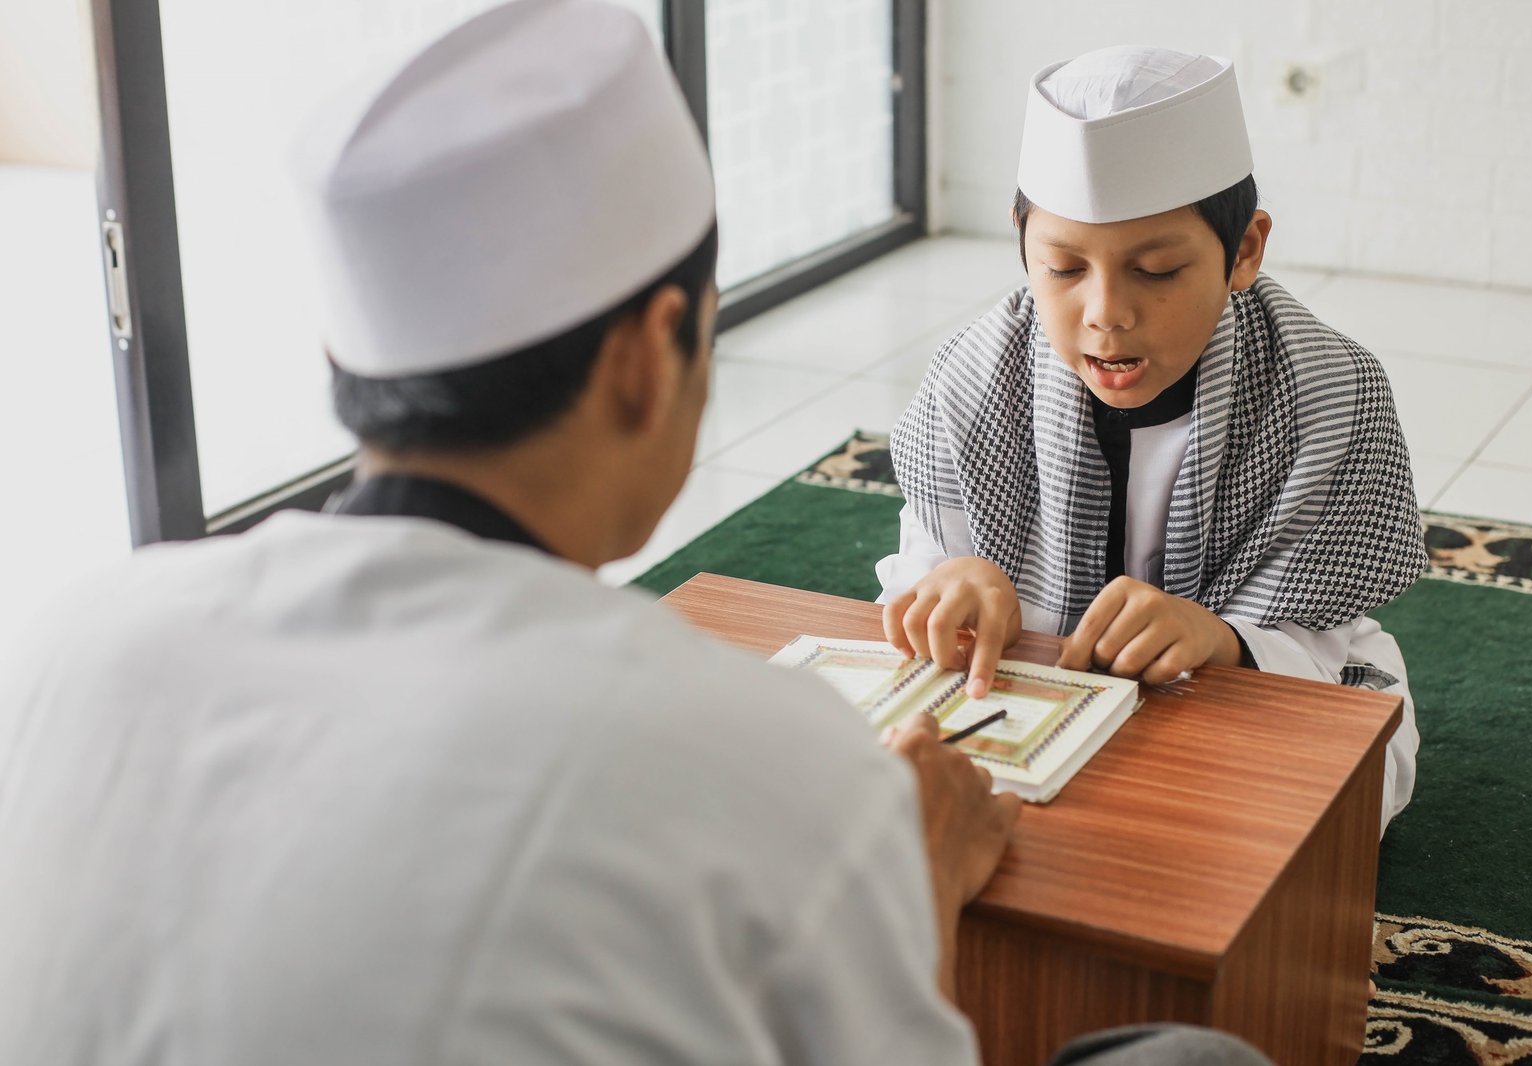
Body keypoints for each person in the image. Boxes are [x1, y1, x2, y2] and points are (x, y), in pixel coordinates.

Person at [0, 6, 1273, 1065]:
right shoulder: (773, 764)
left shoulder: (78, 633)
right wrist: (921, 887)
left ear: (345, 354)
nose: (1104, 312)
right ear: (647, 357)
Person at [879, 46, 1426, 834]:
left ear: (1244, 251)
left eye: (1159, 270)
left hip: (1256, 678)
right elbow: (921, 581)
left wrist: (1219, 638)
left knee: (1325, 799)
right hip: (1025, 683)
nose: (1107, 313)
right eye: (1063, 268)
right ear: (1022, 243)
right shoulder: (974, 377)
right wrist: (953, 581)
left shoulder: (1326, 390)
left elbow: (1319, 631)